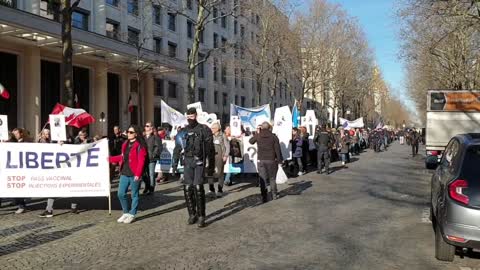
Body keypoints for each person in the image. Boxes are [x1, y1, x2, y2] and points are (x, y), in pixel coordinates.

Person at [182, 108, 215, 228]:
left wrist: (210, 166)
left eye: (192, 116)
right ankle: (192, 214)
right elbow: (178, 145)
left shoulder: (204, 129)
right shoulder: (184, 130)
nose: (190, 118)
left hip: (199, 161)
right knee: (187, 188)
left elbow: (210, 148)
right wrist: (175, 162)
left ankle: (201, 216)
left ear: (196, 116)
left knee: (198, 187)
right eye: (188, 116)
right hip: (187, 161)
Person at [109, 125, 148, 224]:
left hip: (135, 173)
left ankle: (132, 214)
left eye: (131, 132)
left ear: (136, 134)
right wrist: (109, 159)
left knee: (134, 195)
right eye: (128, 132)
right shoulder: (125, 144)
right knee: (121, 194)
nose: (128, 134)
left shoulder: (140, 145)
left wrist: (138, 174)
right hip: (124, 172)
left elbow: (141, 161)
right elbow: (122, 157)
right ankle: (125, 212)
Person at [249, 122, 283, 203]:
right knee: (272, 178)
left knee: (263, 180)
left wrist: (257, 133)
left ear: (262, 128)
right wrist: (280, 160)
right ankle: (274, 194)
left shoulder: (258, 135)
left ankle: (264, 197)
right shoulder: (273, 137)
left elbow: (251, 141)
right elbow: (277, 150)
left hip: (261, 160)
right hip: (271, 160)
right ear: (269, 128)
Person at [207, 122, 230, 198]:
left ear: (217, 129)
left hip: (220, 156)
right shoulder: (210, 135)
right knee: (209, 173)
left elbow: (227, 146)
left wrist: (226, 155)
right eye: (211, 128)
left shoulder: (222, 135)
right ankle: (211, 189)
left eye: (213, 128)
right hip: (210, 157)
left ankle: (220, 190)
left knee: (220, 173)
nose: (211, 129)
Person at [143, 121, 162, 195]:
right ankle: (147, 186)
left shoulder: (155, 137)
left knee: (151, 174)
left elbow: (158, 146)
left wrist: (154, 154)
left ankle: (151, 189)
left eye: (148, 126)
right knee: (144, 175)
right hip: (144, 158)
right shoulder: (143, 137)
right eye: (146, 126)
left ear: (151, 127)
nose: (146, 127)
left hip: (151, 159)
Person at [11, 128, 28, 214]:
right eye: (14, 134)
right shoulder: (11, 143)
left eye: (17, 134)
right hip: (12, 168)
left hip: (21, 169)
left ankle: (22, 206)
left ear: (21, 134)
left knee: (19, 188)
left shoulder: (25, 143)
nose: (15, 135)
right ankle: (17, 202)